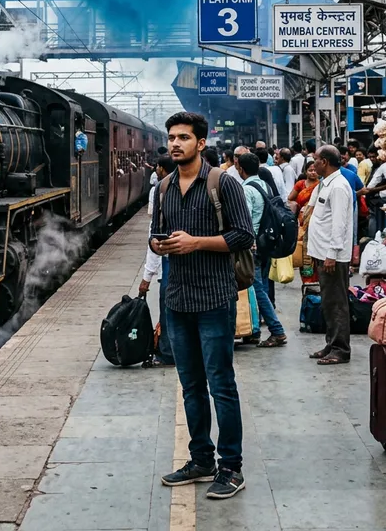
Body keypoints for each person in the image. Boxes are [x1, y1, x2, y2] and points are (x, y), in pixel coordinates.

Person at [151, 111, 253, 499]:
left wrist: (196, 242)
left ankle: (231, 467)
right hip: (177, 300)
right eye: (172, 138)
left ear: (201, 143)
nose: (175, 144)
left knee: (221, 385)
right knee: (190, 386)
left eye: (183, 138)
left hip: (214, 299)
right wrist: (158, 245)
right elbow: (153, 237)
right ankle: (201, 459)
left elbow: (243, 235)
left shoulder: (223, 184)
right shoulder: (162, 188)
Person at [307, 145, 353, 365]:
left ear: (324, 161)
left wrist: (332, 254)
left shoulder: (339, 187)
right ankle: (331, 343)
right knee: (328, 301)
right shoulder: (327, 183)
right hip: (323, 251)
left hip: (332, 255)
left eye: (315, 159)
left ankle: (340, 349)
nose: (313, 163)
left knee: (336, 303)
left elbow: (339, 224)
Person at [235, 152, 286, 348]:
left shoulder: (246, 189)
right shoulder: (265, 184)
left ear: (240, 168)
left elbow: (244, 219)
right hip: (266, 244)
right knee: (261, 286)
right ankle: (253, 331)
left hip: (252, 245)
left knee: (256, 289)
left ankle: (277, 330)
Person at [140, 155, 177, 366]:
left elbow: (156, 237)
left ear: (162, 169)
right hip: (185, 260)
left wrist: (146, 277)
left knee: (167, 311)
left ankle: (167, 353)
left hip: (169, 262)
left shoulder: (159, 189)